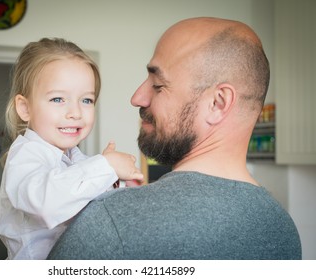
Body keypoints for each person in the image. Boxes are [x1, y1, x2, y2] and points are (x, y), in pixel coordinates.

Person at [47, 17, 302, 260]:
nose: (137, 98)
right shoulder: (282, 229)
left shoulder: (110, 224)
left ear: (217, 103)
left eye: (158, 85)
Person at [0, 38, 143, 260]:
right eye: (57, 99)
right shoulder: (25, 155)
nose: (75, 112)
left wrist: (119, 186)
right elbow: (46, 204)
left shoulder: (78, 160)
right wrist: (106, 166)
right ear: (25, 108)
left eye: (86, 100)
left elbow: (90, 210)